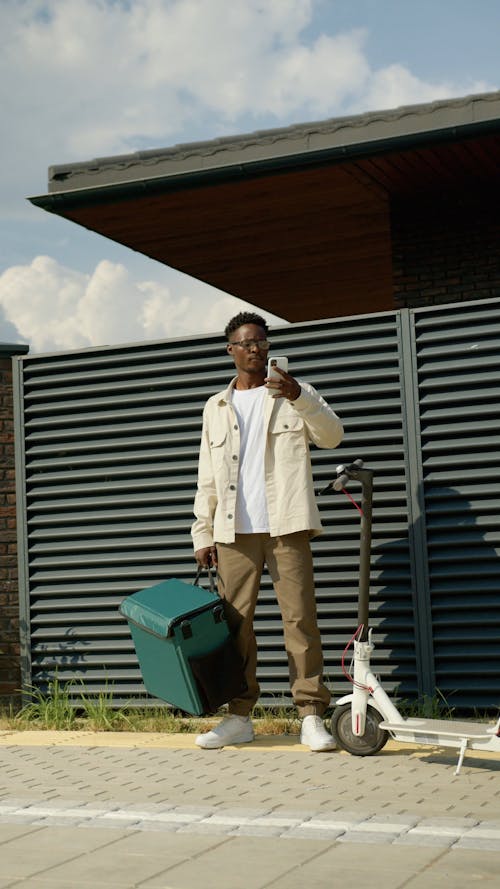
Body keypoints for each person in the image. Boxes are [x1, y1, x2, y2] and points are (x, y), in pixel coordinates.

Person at [191, 311, 343, 751]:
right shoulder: (216, 407)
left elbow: (333, 437)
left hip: (286, 524)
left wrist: (300, 397)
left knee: (300, 621)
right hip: (232, 533)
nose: (256, 348)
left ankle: (311, 715)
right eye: (246, 342)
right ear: (231, 350)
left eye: (261, 341)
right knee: (235, 626)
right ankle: (238, 717)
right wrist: (203, 534)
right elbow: (207, 477)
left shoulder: (296, 393)